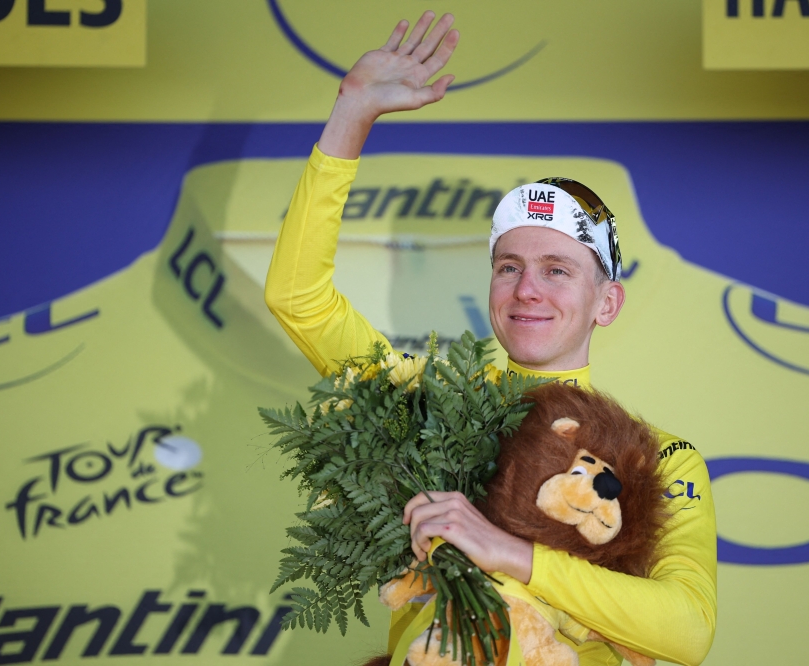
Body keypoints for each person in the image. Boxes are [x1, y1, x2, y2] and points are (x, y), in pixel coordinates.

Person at [264, 11, 716, 666]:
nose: (527, 289)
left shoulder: (659, 460)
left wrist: (509, 552)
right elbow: (296, 299)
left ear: (607, 301)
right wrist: (351, 115)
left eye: (557, 271)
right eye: (510, 268)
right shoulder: (424, 411)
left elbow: (688, 630)